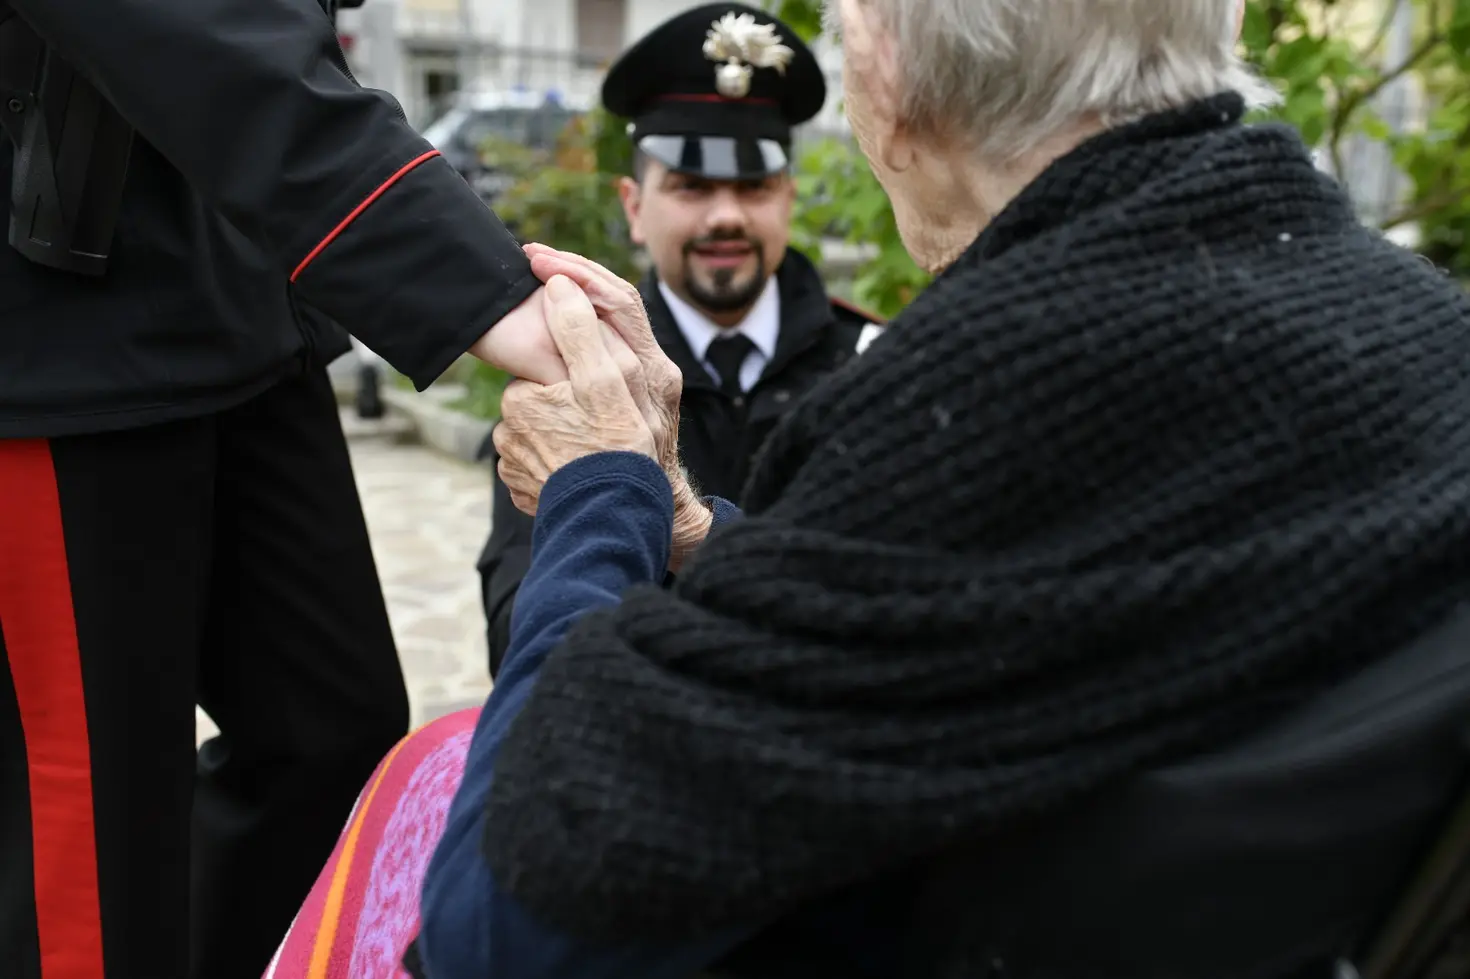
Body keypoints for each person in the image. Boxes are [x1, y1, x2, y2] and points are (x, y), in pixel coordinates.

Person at [413, 0, 1470, 975]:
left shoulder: (996, 395)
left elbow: (506, 918)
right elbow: (969, 616)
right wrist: (695, 530)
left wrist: (601, 488)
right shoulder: (1421, 325)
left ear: (893, 70)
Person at [0, 2, 582, 979]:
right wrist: (486, 291)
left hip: (235, 295)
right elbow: (202, 32)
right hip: (61, 348)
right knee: (94, 853)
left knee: (329, 740)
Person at [476, 2, 883, 675]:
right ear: (635, 207)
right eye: (692, 186)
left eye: (753, 186)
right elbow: (524, 626)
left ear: (787, 197)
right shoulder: (573, 380)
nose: (726, 216)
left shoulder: (874, 363)